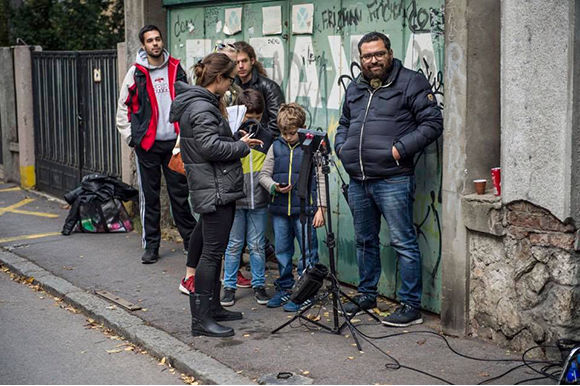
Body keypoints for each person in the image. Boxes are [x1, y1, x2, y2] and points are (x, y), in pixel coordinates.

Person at [334, 32, 443, 327]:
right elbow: (344, 122)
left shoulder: (410, 82)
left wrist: (399, 149)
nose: (373, 60)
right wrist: (341, 147)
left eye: (379, 54)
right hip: (358, 178)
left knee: (403, 241)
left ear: (390, 53)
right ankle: (367, 293)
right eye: (367, 56)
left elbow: (433, 122)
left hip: (393, 178)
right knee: (365, 241)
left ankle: (411, 305)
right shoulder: (356, 87)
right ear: (361, 59)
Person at [169, 52, 263, 337]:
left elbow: (207, 143)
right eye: (230, 79)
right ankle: (201, 320)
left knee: (216, 250)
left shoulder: (203, 104)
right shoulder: (202, 108)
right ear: (219, 78)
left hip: (217, 184)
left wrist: (235, 140)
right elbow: (210, 148)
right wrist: (240, 147)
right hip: (214, 187)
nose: (232, 85)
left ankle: (213, 309)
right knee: (210, 254)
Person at [116, 24, 196, 264]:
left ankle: (191, 242)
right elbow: (123, 108)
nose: (155, 44)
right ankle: (151, 246)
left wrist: (187, 136)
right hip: (148, 146)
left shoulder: (176, 68)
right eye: (150, 41)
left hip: (175, 144)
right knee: (150, 198)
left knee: (180, 196)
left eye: (158, 39)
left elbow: (191, 100)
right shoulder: (136, 72)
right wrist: (132, 138)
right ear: (143, 45)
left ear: (162, 41)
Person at [259, 103, 326, 312]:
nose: (288, 137)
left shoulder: (311, 147)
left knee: (308, 252)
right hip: (280, 210)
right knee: (282, 252)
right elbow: (263, 175)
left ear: (302, 127)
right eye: (284, 133)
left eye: (292, 133)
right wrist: (274, 187)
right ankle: (285, 288)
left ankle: (306, 292)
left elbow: (321, 178)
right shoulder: (276, 146)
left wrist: (321, 208)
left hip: (304, 211)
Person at [220, 89, 274, 308]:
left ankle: (259, 284)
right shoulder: (231, 137)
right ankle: (229, 286)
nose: (253, 125)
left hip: (259, 200)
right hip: (237, 199)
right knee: (233, 245)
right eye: (248, 119)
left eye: (258, 119)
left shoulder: (268, 137)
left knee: (257, 245)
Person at [234, 41, 285, 137]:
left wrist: (262, 139)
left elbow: (277, 121)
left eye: (244, 61)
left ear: (252, 61)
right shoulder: (231, 86)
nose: (240, 66)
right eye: (236, 62)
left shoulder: (269, 87)